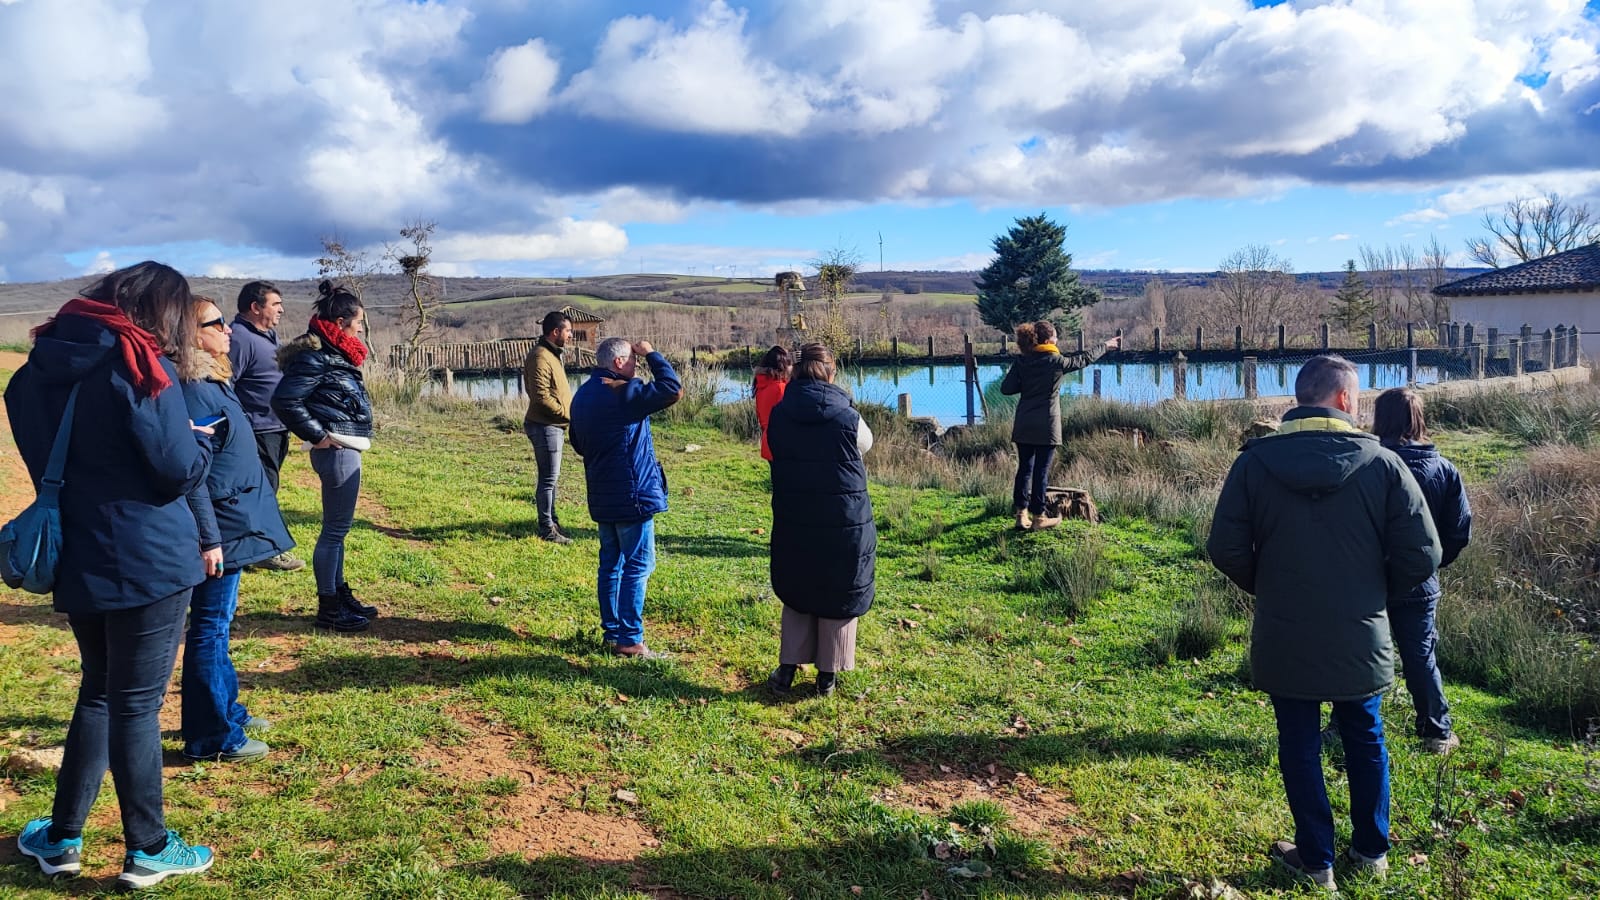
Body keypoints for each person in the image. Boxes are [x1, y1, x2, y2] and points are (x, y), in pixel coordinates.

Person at [7, 261, 218, 887]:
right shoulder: (137, 365)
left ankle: (64, 836)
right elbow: (175, 470)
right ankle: (148, 845)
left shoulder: (32, 372)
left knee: (99, 691)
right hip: (150, 557)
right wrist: (198, 440)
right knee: (136, 705)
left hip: (79, 552)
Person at [1208, 355, 1441, 892]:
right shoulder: (1383, 464)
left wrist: (1270, 587)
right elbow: (1423, 552)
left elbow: (1225, 548)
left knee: (1298, 741)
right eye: (1356, 399)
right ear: (1343, 400)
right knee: (1365, 734)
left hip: (1286, 628)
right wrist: (1374, 592)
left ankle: (1317, 862)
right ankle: (1371, 852)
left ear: (1301, 397)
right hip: (1360, 632)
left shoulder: (1254, 463)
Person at [179, 296, 295, 763]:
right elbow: (193, 477)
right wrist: (210, 537)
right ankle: (212, 737)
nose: (229, 329)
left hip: (233, 520)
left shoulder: (213, 380)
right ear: (191, 335)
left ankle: (227, 711)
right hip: (220, 528)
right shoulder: (191, 389)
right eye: (217, 323)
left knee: (219, 625)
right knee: (209, 627)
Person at [1332, 387, 1473, 755]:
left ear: (1380, 419)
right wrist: (1432, 563)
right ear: (1420, 418)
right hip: (1419, 582)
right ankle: (1437, 732)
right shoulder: (1444, 470)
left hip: (1366, 579)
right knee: (1420, 656)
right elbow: (1459, 529)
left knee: (1357, 651)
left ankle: (1343, 725)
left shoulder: (1366, 463)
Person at [764, 344, 875, 697]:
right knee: (838, 589)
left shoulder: (780, 413)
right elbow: (865, 446)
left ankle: (786, 670)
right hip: (843, 519)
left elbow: (774, 447)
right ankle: (827, 676)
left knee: (799, 587)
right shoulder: (848, 417)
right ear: (831, 373)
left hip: (796, 513)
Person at [271, 281, 375, 633]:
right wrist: (318, 435)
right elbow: (284, 401)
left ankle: (339, 593)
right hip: (337, 450)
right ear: (343, 322)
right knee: (334, 531)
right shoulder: (319, 357)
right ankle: (329, 609)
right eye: (358, 322)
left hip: (346, 448)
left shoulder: (333, 352)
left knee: (338, 531)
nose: (361, 328)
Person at [568, 336, 682, 658]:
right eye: (633, 360)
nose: (636, 365)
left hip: (602, 493)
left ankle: (613, 632)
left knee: (611, 565)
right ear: (619, 363)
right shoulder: (625, 392)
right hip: (631, 494)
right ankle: (630, 640)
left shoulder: (582, 396)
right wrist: (652, 354)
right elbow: (672, 389)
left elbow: (578, 443)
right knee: (638, 564)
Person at [999, 320, 1118, 531]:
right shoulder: (1056, 361)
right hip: (1047, 424)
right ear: (1048, 340)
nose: (1057, 339)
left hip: (1024, 422)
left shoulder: (1022, 361)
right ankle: (1040, 517)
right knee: (1041, 472)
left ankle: (1021, 515)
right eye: (1055, 336)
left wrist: (1027, 385)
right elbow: (1085, 359)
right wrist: (1106, 345)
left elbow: (1006, 389)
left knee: (1024, 469)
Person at [227, 279, 304, 572]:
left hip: (275, 427)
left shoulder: (267, 335)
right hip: (256, 430)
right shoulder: (240, 339)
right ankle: (263, 551)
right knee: (262, 491)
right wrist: (240, 424)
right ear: (255, 307)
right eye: (275, 304)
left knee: (268, 488)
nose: (281, 309)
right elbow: (226, 384)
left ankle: (251, 549)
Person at [523, 310, 574, 544]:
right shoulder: (541, 356)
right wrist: (567, 413)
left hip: (553, 425)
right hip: (545, 426)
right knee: (548, 479)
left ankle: (552, 521)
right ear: (556, 332)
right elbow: (540, 396)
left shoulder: (552, 354)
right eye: (568, 331)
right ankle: (546, 528)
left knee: (552, 478)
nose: (571, 335)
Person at [753, 345, 792, 463]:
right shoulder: (780, 388)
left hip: (767, 442)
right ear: (783, 366)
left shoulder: (761, 386)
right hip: (782, 445)